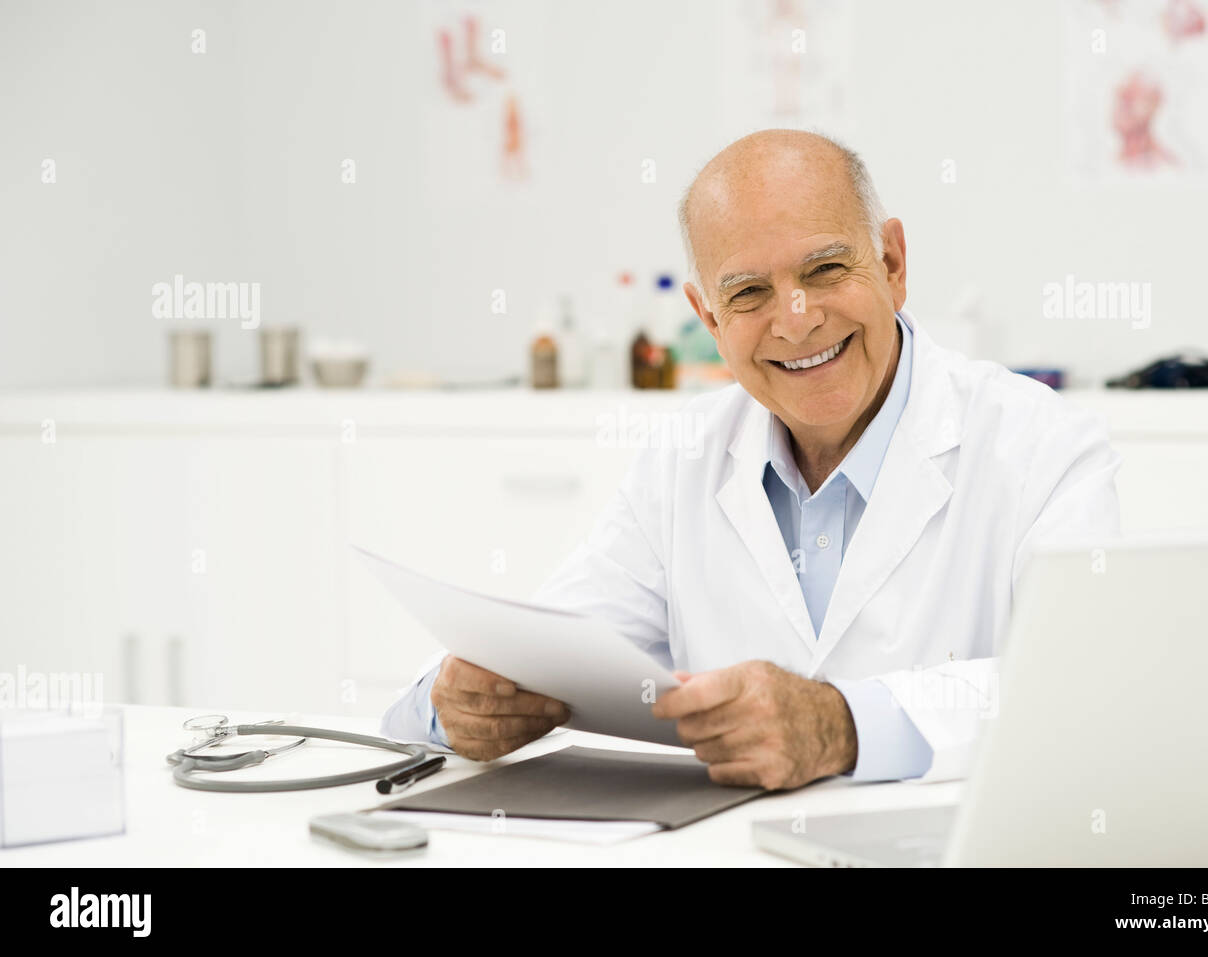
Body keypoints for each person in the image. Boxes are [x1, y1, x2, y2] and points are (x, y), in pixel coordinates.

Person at [382, 129, 1121, 789]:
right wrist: (456, 702)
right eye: (750, 292)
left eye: (826, 269)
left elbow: (1086, 693)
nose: (796, 320)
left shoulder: (1043, 450)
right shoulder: (684, 462)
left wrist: (840, 725)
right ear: (709, 318)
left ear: (892, 263)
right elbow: (551, 644)